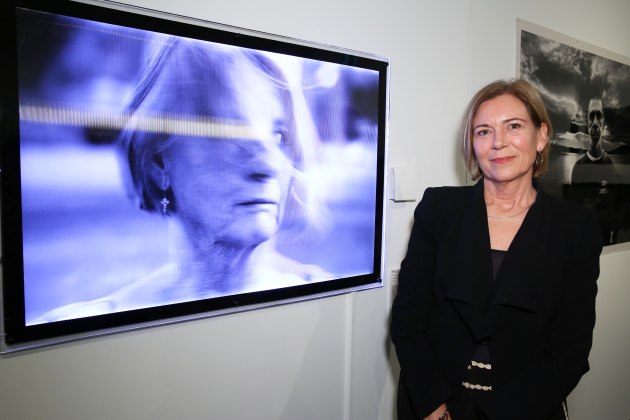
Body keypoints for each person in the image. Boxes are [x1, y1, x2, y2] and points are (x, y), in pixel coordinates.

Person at [33, 36, 329, 322]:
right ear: (159, 163)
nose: (267, 165)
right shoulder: (84, 334)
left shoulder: (326, 306)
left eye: (279, 136)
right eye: (231, 133)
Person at [390, 79, 603, 420]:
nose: (498, 142)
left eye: (513, 126)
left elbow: (569, 351)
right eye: (484, 131)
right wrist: (432, 405)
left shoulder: (575, 229)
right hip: (434, 407)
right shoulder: (439, 210)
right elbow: (408, 319)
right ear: (472, 144)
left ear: (542, 136)